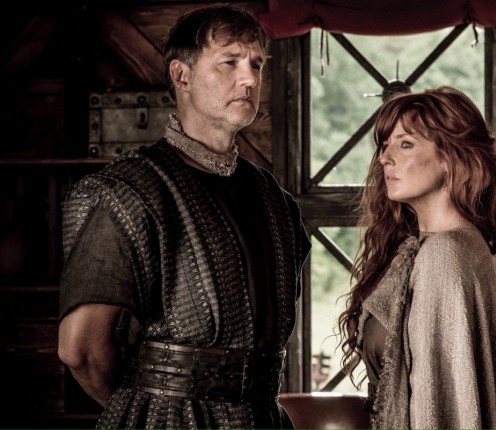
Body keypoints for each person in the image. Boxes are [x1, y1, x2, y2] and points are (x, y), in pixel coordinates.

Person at [57, 5, 310, 429]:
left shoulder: (274, 200)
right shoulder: (128, 192)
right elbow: (81, 350)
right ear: (182, 75)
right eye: (229, 62)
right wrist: (145, 411)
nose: (250, 79)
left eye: (256, 64)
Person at [338, 86, 496, 429]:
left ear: (450, 158)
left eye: (406, 144)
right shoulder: (435, 246)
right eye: (385, 145)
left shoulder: (444, 254)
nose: (385, 158)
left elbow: (439, 406)